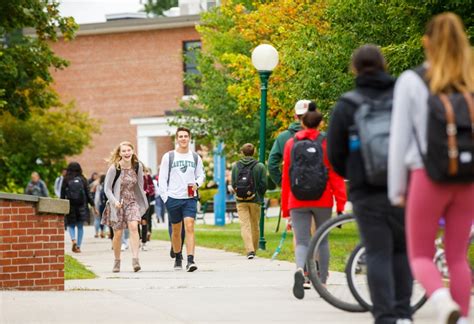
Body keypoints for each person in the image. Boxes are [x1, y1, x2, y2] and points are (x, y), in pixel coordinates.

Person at [388, 13, 473, 324]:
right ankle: (462, 318)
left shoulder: (412, 81)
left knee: (420, 254)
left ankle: (441, 301)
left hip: (426, 176)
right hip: (467, 180)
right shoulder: (471, 79)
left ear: (427, 43)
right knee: (457, 257)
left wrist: (396, 189)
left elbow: (399, 141)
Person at [327, 44, 413, 324]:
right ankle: (403, 313)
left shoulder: (347, 105)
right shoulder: (402, 97)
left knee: (377, 252)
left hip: (366, 189)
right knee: (401, 250)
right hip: (402, 187)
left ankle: (385, 317)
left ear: (354, 68)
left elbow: (335, 154)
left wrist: (354, 172)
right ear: (384, 64)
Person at [282, 101, 346, 300]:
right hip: (323, 198)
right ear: (320, 123)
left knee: (302, 241)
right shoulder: (326, 143)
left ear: (302, 123)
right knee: (323, 240)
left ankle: (301, 271)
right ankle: (323, 281)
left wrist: (286, 210)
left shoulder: (291, 143)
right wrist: (341, 204)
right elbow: (335, 175)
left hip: (297, 199)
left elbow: (286, 177)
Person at [158, 127, 205, 272]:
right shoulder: (169, 156)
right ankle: (178, 257)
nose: (183, 139)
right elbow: (162, 178)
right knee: (176, 231)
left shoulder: (195, 157)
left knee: (189, 226)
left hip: (190, 198)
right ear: (177, 139)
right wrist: (166, 198)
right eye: (180, 136)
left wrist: (197, 184)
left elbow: (201, 175)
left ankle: (190, 261)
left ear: (189, 138)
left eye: (186, 136)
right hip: (173, 198)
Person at [102, 141, 149, 272]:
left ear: (133, 151)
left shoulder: (137, 166)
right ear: (120, 153)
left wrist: (142, 201)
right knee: (118, 234)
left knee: (134, 227)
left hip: (132, 202)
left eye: (129, 150)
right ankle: (117, 261)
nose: (126, 153)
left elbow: (139, 185)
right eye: (124, 151)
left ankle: (135, 260)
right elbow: (107, 189)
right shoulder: (114, 168)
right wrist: (114, 202)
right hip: (117, 203)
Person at [231, 143, 267, 259]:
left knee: (244, 225)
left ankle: (249, 250)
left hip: (240, 200)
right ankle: (254, 250)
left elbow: (233, 183)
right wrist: (258, 194)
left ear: (242, 152)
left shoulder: (236, 166)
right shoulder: (260, 166)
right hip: (255, 199)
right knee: (255, 225)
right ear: (254, 152)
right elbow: (264, 184)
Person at [268, 100, 310, 187]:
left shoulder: (283, 137)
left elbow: (271, 164)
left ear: (295, 116)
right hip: (318, 191)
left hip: (293, 188)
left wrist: (282, 182)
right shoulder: (322, 137)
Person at [61, 162, 94, 253]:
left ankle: (73, 240)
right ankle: (78, 246)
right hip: (82, 206)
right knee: (80, 226)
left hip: (70, 205)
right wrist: (93, 205)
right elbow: (88, 194)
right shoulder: (83, 179)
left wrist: (62, 207)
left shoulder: (66, 179)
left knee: (71, 225)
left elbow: (62, 194)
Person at [140, 167, 155, 251]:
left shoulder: (147, 177)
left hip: (146, 200)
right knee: (136, 221)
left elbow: (152, 188)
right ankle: (137, 240)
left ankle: (144, 242)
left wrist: (146, 191)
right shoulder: (134, 176)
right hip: (136, 200)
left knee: (144, 220)